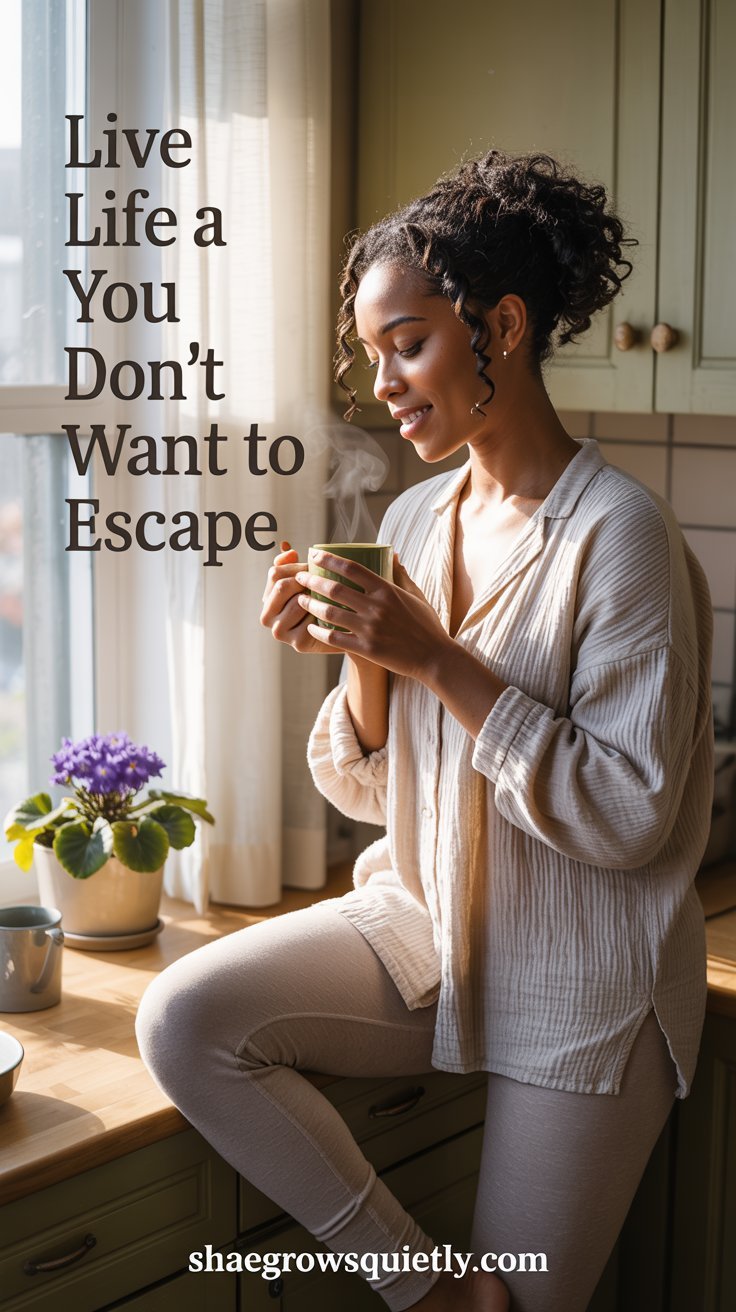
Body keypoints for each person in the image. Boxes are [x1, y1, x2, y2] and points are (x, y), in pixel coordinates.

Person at [136, 150, 714, 1312]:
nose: (383, 382)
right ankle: (430, 1288)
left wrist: (435, 657)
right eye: (370, 353)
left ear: (500, 326)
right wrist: (360, 653)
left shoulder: (621, 536)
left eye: (408, 342)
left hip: (585, 975)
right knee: (186, 1017)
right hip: (428, 928)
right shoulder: (411, 514)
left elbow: (628, 816)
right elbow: (370, 792)